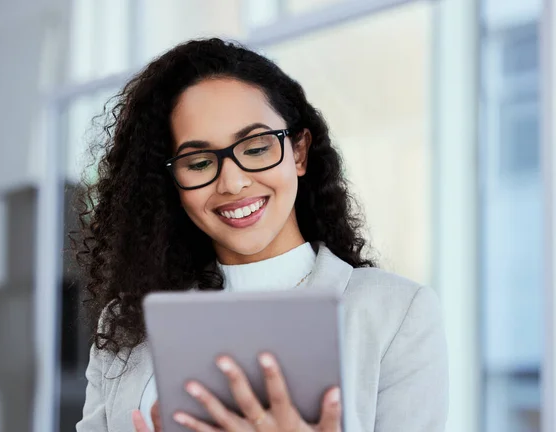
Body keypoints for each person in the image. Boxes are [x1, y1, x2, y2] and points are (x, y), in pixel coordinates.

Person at [72, 38, 448, 432]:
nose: (233, 183)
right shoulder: (129, 320)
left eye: (255, 148)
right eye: (199, 162)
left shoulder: (396, 312)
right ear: (171, 182)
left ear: (299, 153)